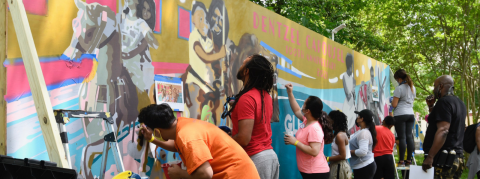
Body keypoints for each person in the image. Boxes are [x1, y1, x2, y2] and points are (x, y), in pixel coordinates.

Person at [138, 104, 260, 179]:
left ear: (158, 131)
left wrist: (180, 173)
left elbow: (206, 174)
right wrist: (152, 139)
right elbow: (177, 146)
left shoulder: (187, 136)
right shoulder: (183, 125)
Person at [229, 54, 280, 179]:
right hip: (270, 157)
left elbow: (244, 139)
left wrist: (223, 139)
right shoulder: (266, 97)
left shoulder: (246, 98)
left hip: (256, 159)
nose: (240, 66)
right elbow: (257, 128)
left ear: (246, 71)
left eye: (243, 63)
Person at [283, 83, 334, 179]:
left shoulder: (314, 128)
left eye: (304, 104)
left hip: (316, 173)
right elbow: (297, 110)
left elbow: (314, 151)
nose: (302, 106)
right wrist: (290, 93)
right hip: (310, 172)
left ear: (308, 111)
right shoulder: (307, 121)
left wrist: (295, 142)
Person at [422, 75, 467, 179]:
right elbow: (441, 122)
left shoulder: (444, 102)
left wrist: (430, 157)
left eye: (435, 86)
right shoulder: (460, 103)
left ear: (441, 86)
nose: (434, 89)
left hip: (444, 160)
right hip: (457, 158)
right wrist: (431, 107)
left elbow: (443, 130)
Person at [391, 69, 416, 166]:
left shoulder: (399, 88)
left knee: (402, 138)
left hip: (400, 114)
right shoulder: (412, 87)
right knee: (409, 137)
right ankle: (409, 160)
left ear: (399, 78)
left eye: (397, 79)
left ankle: (401, 161)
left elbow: (394, 104)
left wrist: (391, 102)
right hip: (410, 114)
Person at [350, 109, 377, 179]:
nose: (357, 118)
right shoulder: (362, 131)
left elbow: (363, 151)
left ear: (362, 119)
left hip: (364, 167)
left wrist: (348, 152)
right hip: (362, 166)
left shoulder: (364, 133)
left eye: (358, 116)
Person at [328, 110, 352, 179]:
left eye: (330, 119)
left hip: (339, 166)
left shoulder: (340, 135)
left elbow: (342, 156)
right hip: (337, 165)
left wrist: (326, 158)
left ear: (335, 121)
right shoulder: (339, 134)